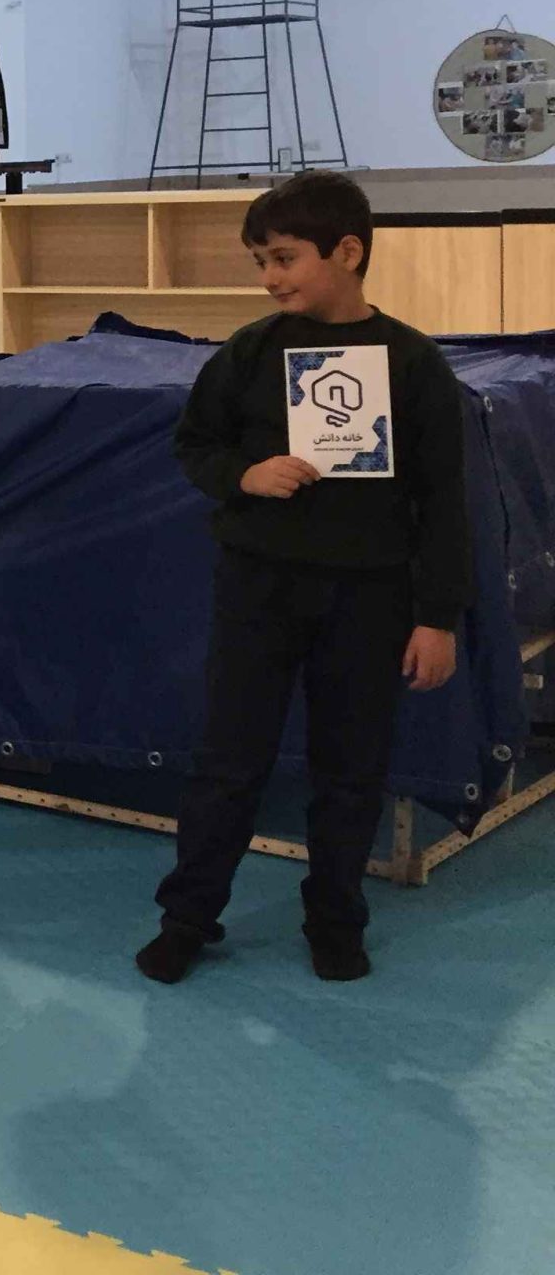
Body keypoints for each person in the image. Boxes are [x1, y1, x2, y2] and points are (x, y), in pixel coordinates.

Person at [138, 170, 469, 985]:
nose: (270, 277)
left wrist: (437, 618)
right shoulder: (249, 354)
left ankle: (335, 921)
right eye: (260, 262)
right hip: (259, 590)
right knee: (228, 762)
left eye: (284, 258)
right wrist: (246, 476)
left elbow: (443, 499)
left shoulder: (413, 363)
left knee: (351, 769)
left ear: (347, 252)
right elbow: (196, 445)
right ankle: (188, 918)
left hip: (369, 597)